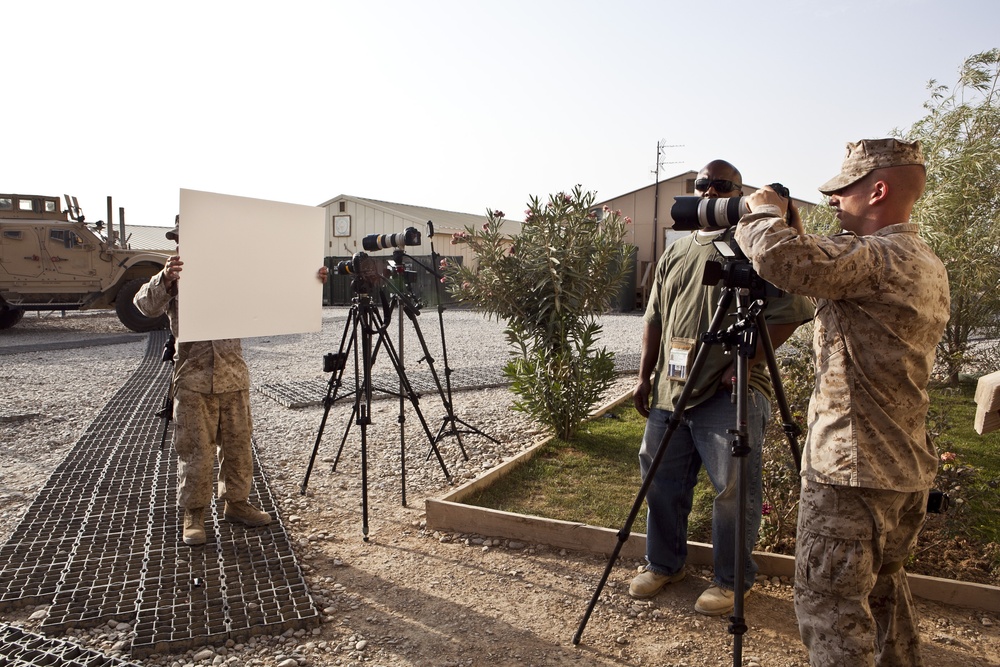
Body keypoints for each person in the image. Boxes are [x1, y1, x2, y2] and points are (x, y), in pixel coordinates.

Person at [736, 138, 950, 665]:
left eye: (842, 191)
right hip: (903, 468)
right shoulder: (921, 260)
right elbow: (826, 272)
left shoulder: (878, 259)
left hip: (852, 474)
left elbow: (781, 259)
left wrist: (762, 212)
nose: (831, 200)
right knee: (884, 592)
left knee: (832, 612)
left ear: (877, 189)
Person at [630, 160, 814, 616]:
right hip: (672, 389)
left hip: (729, 394)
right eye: (701, 185)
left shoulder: (752, 246)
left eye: (721, 186)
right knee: (661, 482)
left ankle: (732, 582)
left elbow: (793, 309)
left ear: (738, 194)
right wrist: (643, 375)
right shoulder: (676, 251)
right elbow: (654, 317)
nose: (709, 192)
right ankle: (664, 563)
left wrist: (745, 360)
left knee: (733, 491)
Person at [135, 220, 330, 546]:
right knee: (196, 450)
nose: (184, 245)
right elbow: (143, 305)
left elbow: (274, 296)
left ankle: (237, 504)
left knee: (239, 447)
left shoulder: (234, 275)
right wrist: (165, 279)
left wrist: (310, 281)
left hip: (233, 376)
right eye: (180, 240)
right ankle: (194, 514)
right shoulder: (174, 277)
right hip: (193, 379)